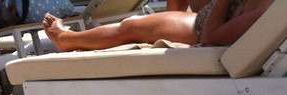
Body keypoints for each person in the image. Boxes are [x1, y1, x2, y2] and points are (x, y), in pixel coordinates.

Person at [42, 0, 272, 51]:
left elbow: (210, 36)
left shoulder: (264, 11)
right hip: (216, 14)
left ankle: (66, 39)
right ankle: (166, 19)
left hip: (197, 27)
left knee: (130, 27)